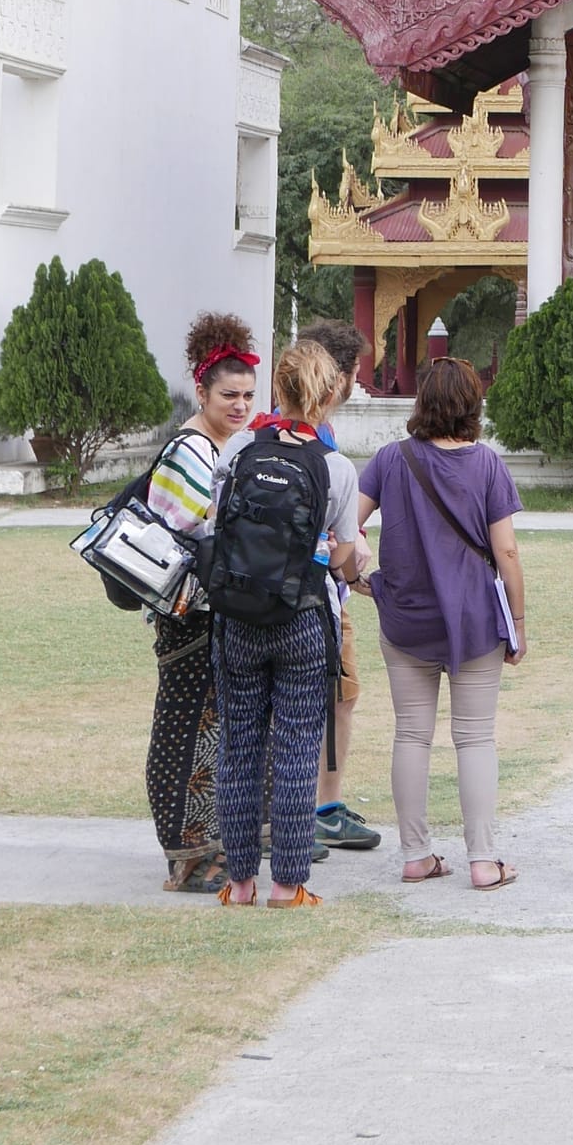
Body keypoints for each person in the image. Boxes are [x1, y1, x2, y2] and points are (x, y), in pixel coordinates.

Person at [355, 356, 528, 891]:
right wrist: (517, 621)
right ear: (472, 405)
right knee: (474, 739)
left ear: (421, 403)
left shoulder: (390, 459)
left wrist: (363, 577)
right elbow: (506, 551)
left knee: (412, 733)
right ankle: (482, 860)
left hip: (405, 616)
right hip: (474, 617)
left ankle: (415, 855)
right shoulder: (487, 465)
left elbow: (344, 526)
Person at [216, 340, 365, 909]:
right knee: (299, 746)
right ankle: (288, 884)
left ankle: (239, 882)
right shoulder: (335, 467)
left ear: (276, 389)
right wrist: (340, 556)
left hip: (238, 618)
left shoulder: (239, 450)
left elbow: (214, 526)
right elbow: (347, 556)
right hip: (303, 616)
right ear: (330, 395)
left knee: (240, 746)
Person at [143, 312, 259, 891]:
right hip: (185, 609)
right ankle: (185, 854)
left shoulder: (224, 446)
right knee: (183, 724)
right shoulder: (189, 449)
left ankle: (209, 845)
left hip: (215, 608)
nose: (239, 405)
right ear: (202, 392)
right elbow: (180, 528)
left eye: (247, 396)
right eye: (229, 395)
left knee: (212, 728)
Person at [300, 318, 382, 854]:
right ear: (340, 376)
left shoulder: (268, 430)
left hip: (284, 585)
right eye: (356, 372)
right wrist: (355, 571)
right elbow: (339, 532)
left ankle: (311, 807)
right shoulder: (321, 438)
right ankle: (317, 809)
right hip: (320, 590)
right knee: (335, 696)